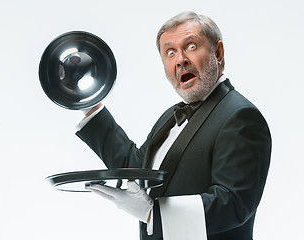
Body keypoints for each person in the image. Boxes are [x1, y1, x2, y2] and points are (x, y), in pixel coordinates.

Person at [76, 11, 271, 240]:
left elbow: (234, 203)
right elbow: (137, 168)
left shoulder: (241, 116)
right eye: (170, 52)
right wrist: (90, 106)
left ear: (218, 53)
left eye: (190, 46)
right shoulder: (170, 116)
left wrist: (152, 213)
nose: (180, 59)